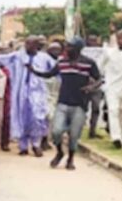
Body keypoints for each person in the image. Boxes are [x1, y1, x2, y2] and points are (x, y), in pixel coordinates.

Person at [28, 37, 102, 170]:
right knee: (56, 131)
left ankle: (70, 159)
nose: (66, 49)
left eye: (70, 47)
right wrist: (34, 71)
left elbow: (100, 79)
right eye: (66, 46)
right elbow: (49, 74)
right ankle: (60, 152)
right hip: (63, 102)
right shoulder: (62, 62)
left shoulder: (89, 63)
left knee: (74, 135)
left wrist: (91, 88)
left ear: (79, 49)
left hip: (80, 104)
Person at [0, 36, 55, 157]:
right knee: (21, 118)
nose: (28, 46)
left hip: (38, 92)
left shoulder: (44, 58)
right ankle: (23, 146)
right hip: (20, 92)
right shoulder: (17, 56)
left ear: (36, 45)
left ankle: (36, 144)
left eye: (31, 44)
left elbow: (56, 69)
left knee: (37, 118)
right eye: (27, 44)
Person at [84, 35, 104, 138]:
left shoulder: (102, 53)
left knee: (96, 108)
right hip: (84, 85)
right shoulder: (83, 53)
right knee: (83, 109)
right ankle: (80, 127)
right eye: (91, 40)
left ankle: (92, 131)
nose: (93, 42)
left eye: (94, 40)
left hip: (97, 84)